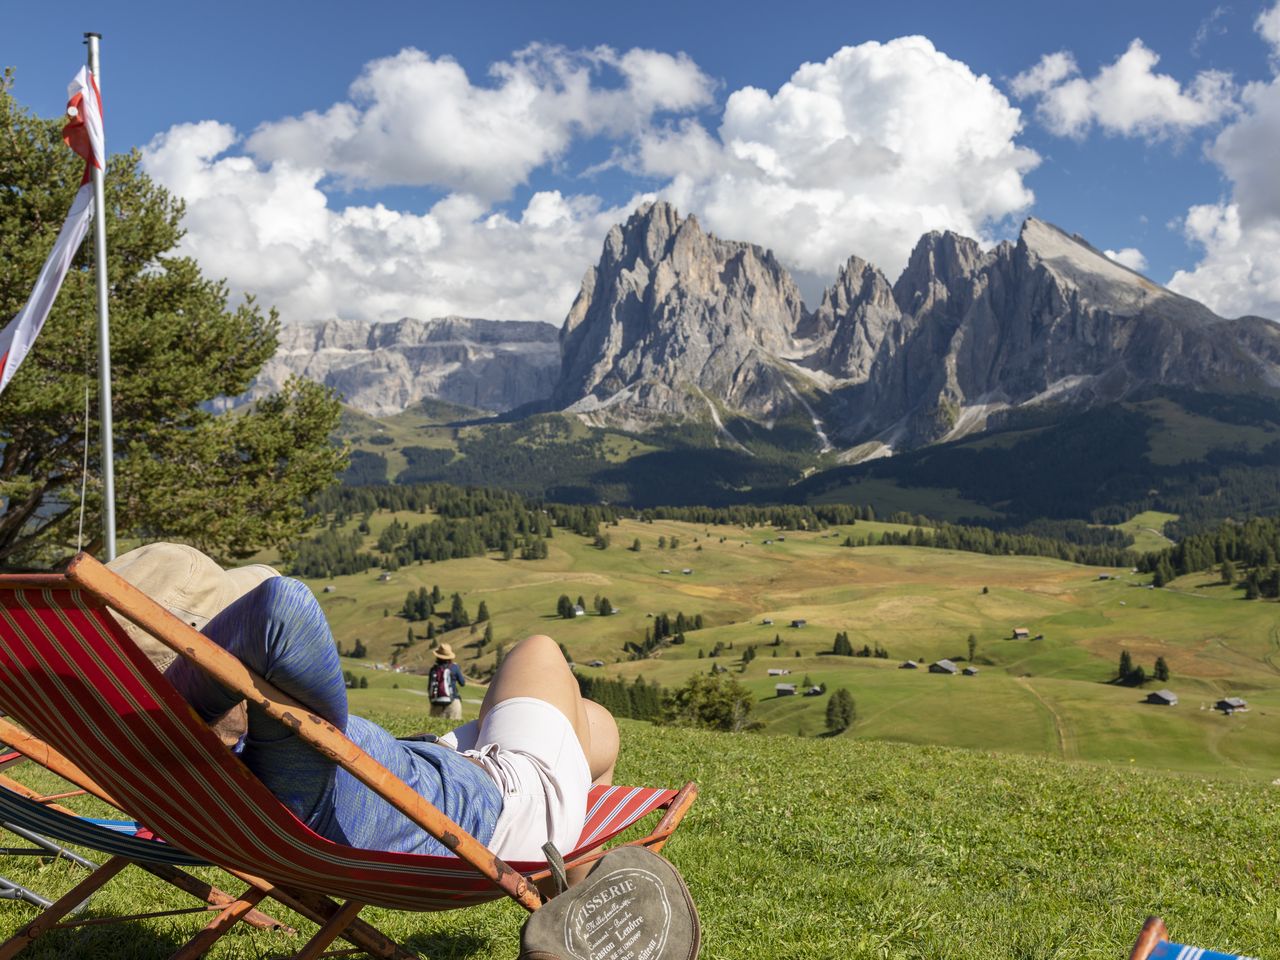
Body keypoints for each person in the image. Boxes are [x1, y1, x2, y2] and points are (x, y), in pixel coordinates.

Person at [110, 542, 619, 864]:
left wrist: (180, 702)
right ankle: (573, 892)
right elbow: (282, 607)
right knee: (539, 651)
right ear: (214, 656)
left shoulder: (160, 755)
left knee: (595, 723)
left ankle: (574, 885)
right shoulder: (280, 757)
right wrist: (205, 686)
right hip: (499, 814)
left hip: (437, 778)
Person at [427, 643, 466, 720]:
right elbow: (462, 683)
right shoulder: (454, 667)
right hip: (453, 702)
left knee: (434, 729)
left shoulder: (433, 669)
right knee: (454, 729)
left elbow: (429, 687)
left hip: (436, 703)